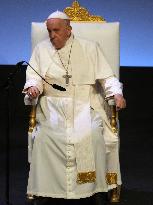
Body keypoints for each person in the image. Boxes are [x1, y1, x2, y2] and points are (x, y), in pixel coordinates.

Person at [23, 11, 126, 205]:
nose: (52, 35)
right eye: (49, 31)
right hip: (53, 108)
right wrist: (33, 88)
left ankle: (91, 188)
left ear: (68, 30)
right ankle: (47, 189)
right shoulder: (41, 50)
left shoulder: (90, 48)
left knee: (94, 134)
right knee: (45, 138)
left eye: (56, 31)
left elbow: (107, 77)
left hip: (85, 105)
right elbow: (34, 77)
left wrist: (117, 93)